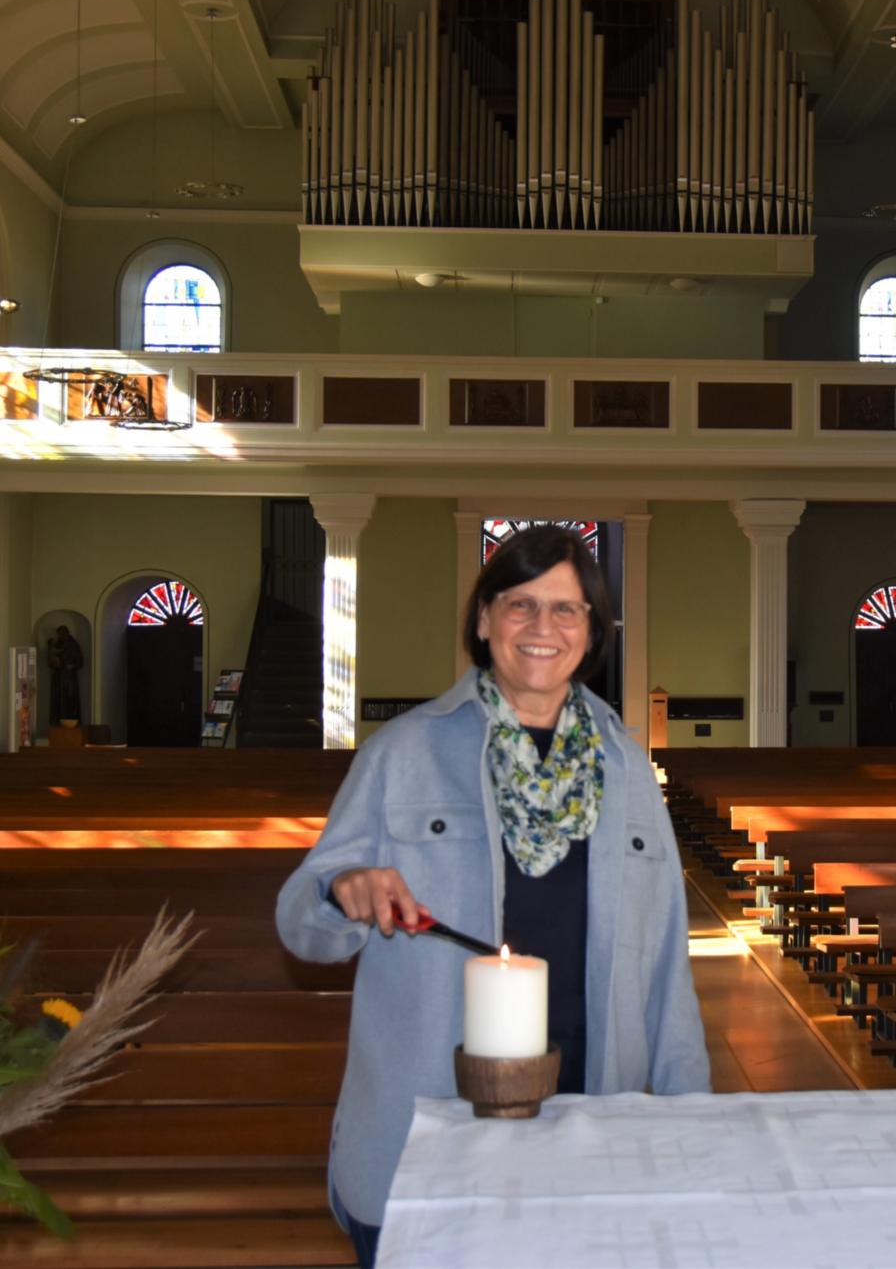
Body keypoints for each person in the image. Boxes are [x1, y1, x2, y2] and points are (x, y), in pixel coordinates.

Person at [275, 524, 710, 1267]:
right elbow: (301, 925)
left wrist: (690, 1123)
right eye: (521, 604)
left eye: (567, 609)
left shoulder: (628, 768)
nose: (544, 627)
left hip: (589, 1109)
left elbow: (667, 963)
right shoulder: (403, 752)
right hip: (432, 1117)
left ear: (591, 631)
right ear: (484, 619)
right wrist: (341, 889)